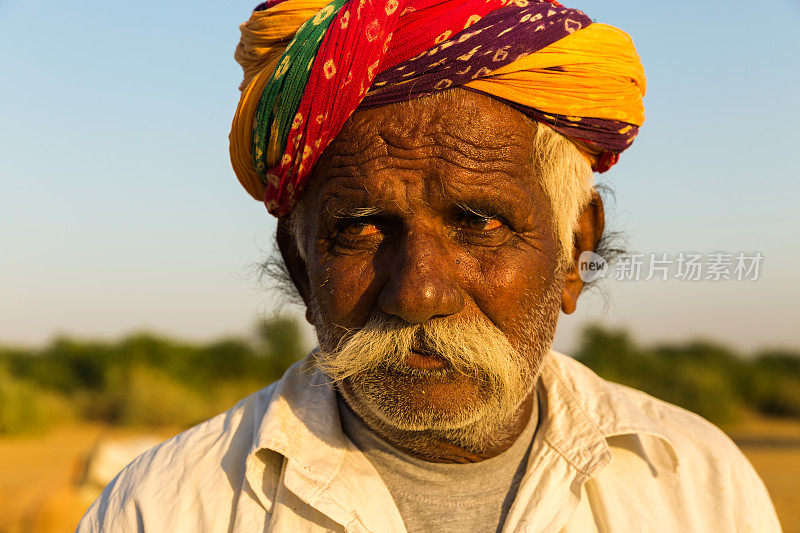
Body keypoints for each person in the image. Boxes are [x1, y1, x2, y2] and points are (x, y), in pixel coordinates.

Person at [77, 0, 781, 531]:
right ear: (299, 266)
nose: (417, 291)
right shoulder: (168, 505)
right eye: (359, 229)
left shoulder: (697, 487)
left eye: (477, 224)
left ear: (574, 251)